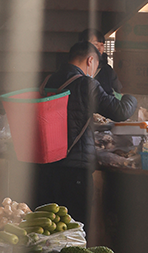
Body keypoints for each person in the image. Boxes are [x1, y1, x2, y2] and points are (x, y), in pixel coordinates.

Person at [36, 40, 138, 227]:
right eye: (96, 68)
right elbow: (120, 111)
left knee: (47, 226)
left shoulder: (47, 81)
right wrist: (131, 98)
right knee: (75, 227)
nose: (94, 73)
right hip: (74, 170)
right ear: (90, 60)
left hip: (45, 168)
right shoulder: (85, 84)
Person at [77, 27, 122, 96]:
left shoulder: (107, 70)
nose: (100, 48)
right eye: (96, 44)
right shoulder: (75, 68)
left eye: (102, 45)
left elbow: (118, 91)